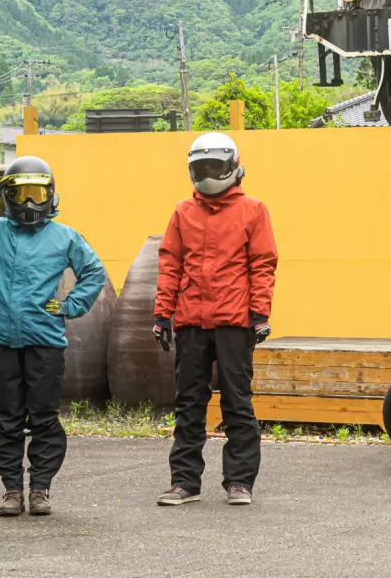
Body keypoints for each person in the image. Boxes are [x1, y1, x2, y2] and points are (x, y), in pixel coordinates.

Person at [0, 155, 106, 518]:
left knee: (44, 416)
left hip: (43, 338)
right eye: (20, 194)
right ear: (7, 196)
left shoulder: (64, 237)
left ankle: (41, 488)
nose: (30, 203)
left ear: (51, 195)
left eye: (37, 194)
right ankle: (12, 490)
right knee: (8, 416)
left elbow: (94, 272)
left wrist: (69, 306)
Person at [153, 132, 277, 507]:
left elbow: (263, 264)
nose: (208, 173)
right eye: (201, 167)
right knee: (188, 403)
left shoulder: (253, 210)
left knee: (237, 403)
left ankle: (239, 481)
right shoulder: (182, 212)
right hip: (191, 321)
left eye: (214, 166)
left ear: (233, 167)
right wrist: (162, 314)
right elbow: (170, 264)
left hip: (234, 322)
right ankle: (184, 483)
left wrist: (259, 314)